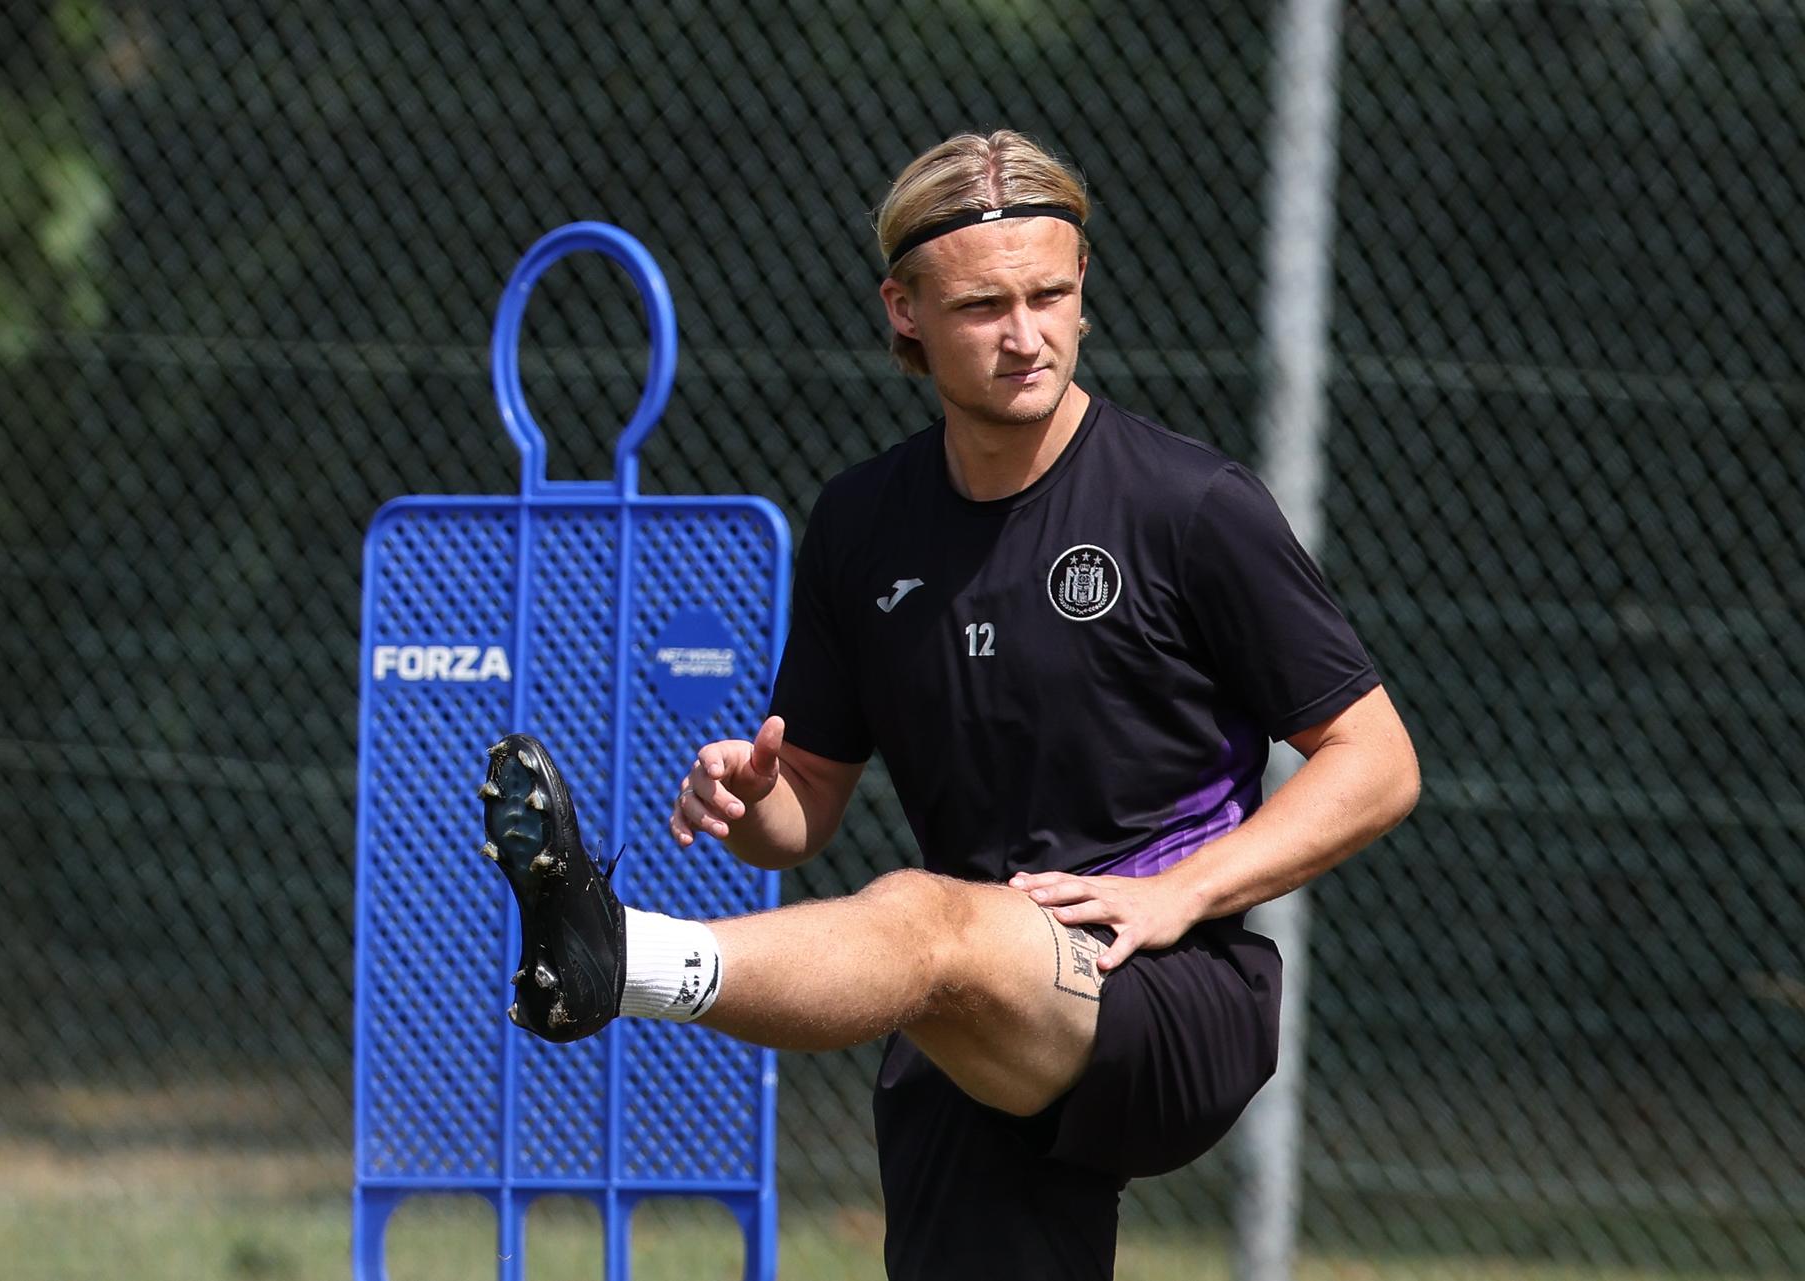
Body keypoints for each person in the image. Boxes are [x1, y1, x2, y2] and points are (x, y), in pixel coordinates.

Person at [481, 128, 1420, 1281]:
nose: (1027, 337)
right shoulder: (864, 522)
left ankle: (615, 958)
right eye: (983, 306)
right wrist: (755, 798)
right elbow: (807, 808)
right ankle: (620, 957)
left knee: (928, 920)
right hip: (962, 1004)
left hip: (1173, 988)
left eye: (1052, 296)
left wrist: (1178, 893)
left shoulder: (1192, 506)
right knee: (940, 940)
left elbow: (1375, 759)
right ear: (906, 310)